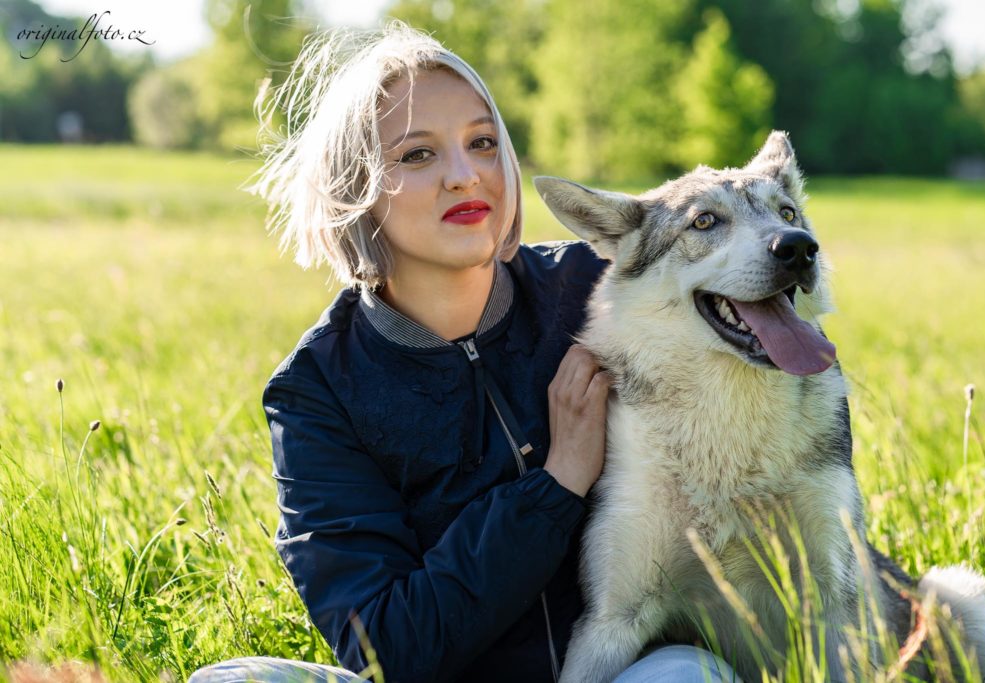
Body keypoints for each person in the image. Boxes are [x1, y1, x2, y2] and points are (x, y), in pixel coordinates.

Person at [190, 22, 740, 683]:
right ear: (352, 185)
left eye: (482, 143)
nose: (465, 176)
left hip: (629, 671)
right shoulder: (317, 391)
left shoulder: (598, 291)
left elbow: (775, 382)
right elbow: (388, 647)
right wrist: (557, 483)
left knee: (687, 676)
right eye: (418, 155)